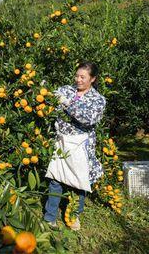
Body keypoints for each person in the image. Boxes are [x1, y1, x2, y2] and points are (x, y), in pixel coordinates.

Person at [44, 61, 106, 231]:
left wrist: (67, 104)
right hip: (62, 141)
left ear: (92, 79)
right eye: (77, 76)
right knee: (56, 178)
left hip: (80, 143)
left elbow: (88, 118)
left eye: (83, 77)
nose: (78, 80)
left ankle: (73, 217)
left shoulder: (98, 100)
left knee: (79, 182)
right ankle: (49, 217)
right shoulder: (66, 90)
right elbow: (49, 101)